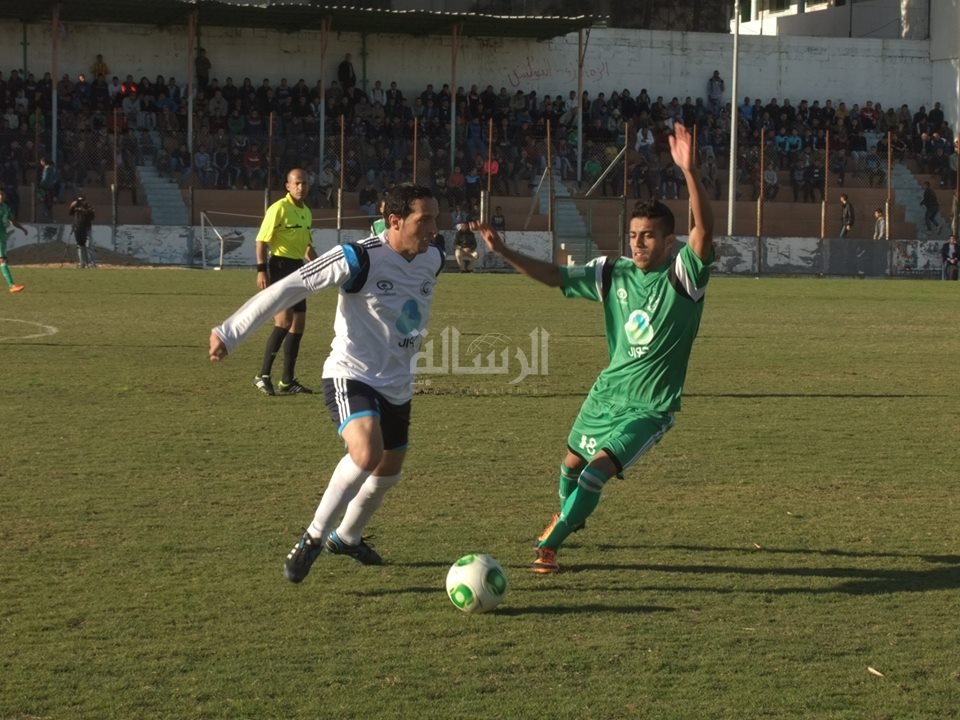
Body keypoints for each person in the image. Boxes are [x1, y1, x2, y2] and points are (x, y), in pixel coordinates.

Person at [470, 123, 714, 574]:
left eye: (648, 236)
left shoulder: (684, 276)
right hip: (606, 394)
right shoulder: (611, 272)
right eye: (634, 235)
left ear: (669, 241)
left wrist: (690, 173)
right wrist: (503, 250)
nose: (638, 243)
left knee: (594, 472)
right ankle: (567, 519)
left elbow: (705, 230)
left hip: (649, 406)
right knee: (570, 463)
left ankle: (551, 545)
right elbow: (555, 277)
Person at [209, 183, 443, 581]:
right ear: (395, 221)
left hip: (398, 384)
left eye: (437, 219)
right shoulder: (357, 257)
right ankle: (314, 537)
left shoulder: (433, 258)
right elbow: (291, 286)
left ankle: (347, 537)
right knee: (366, 453)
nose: (434, 229)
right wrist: (231, 332)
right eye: (425, 220)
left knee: (388, 474)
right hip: (351, 374)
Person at [252, 168, 318, 396]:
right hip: (280, 266)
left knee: (298, 324)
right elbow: (261, 241)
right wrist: (262, 270)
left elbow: (307, 247)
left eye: (305, 183)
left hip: (298, 269)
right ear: (288, 185)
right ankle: (262, 375)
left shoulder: (306, 212)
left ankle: (287, 381)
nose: (301, 187)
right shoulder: (278, 209)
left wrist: (321, 266)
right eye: (297, 183)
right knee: (283, 320)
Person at [0, 188, 27, 293]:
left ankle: (12, 285)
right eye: (0, 195)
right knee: (2, 260)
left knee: (2, 260)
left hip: (2, 236)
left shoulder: (6, 207)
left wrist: (22, 228)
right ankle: (11, 285)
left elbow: (12, 221)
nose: (1, 197)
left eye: (3, 195)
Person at [69, 195, 96, 268]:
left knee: (89, 246)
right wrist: (72, 205)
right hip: (78, 228)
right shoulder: (75, 207)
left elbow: (92, 216)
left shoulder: (88, 207)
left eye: (82, 201)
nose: (81, 203)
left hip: (86, 228)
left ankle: (93, 264)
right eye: (79, 201)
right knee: (80, 246)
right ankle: (82, 263)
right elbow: (70, 212)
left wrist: (84, 210)